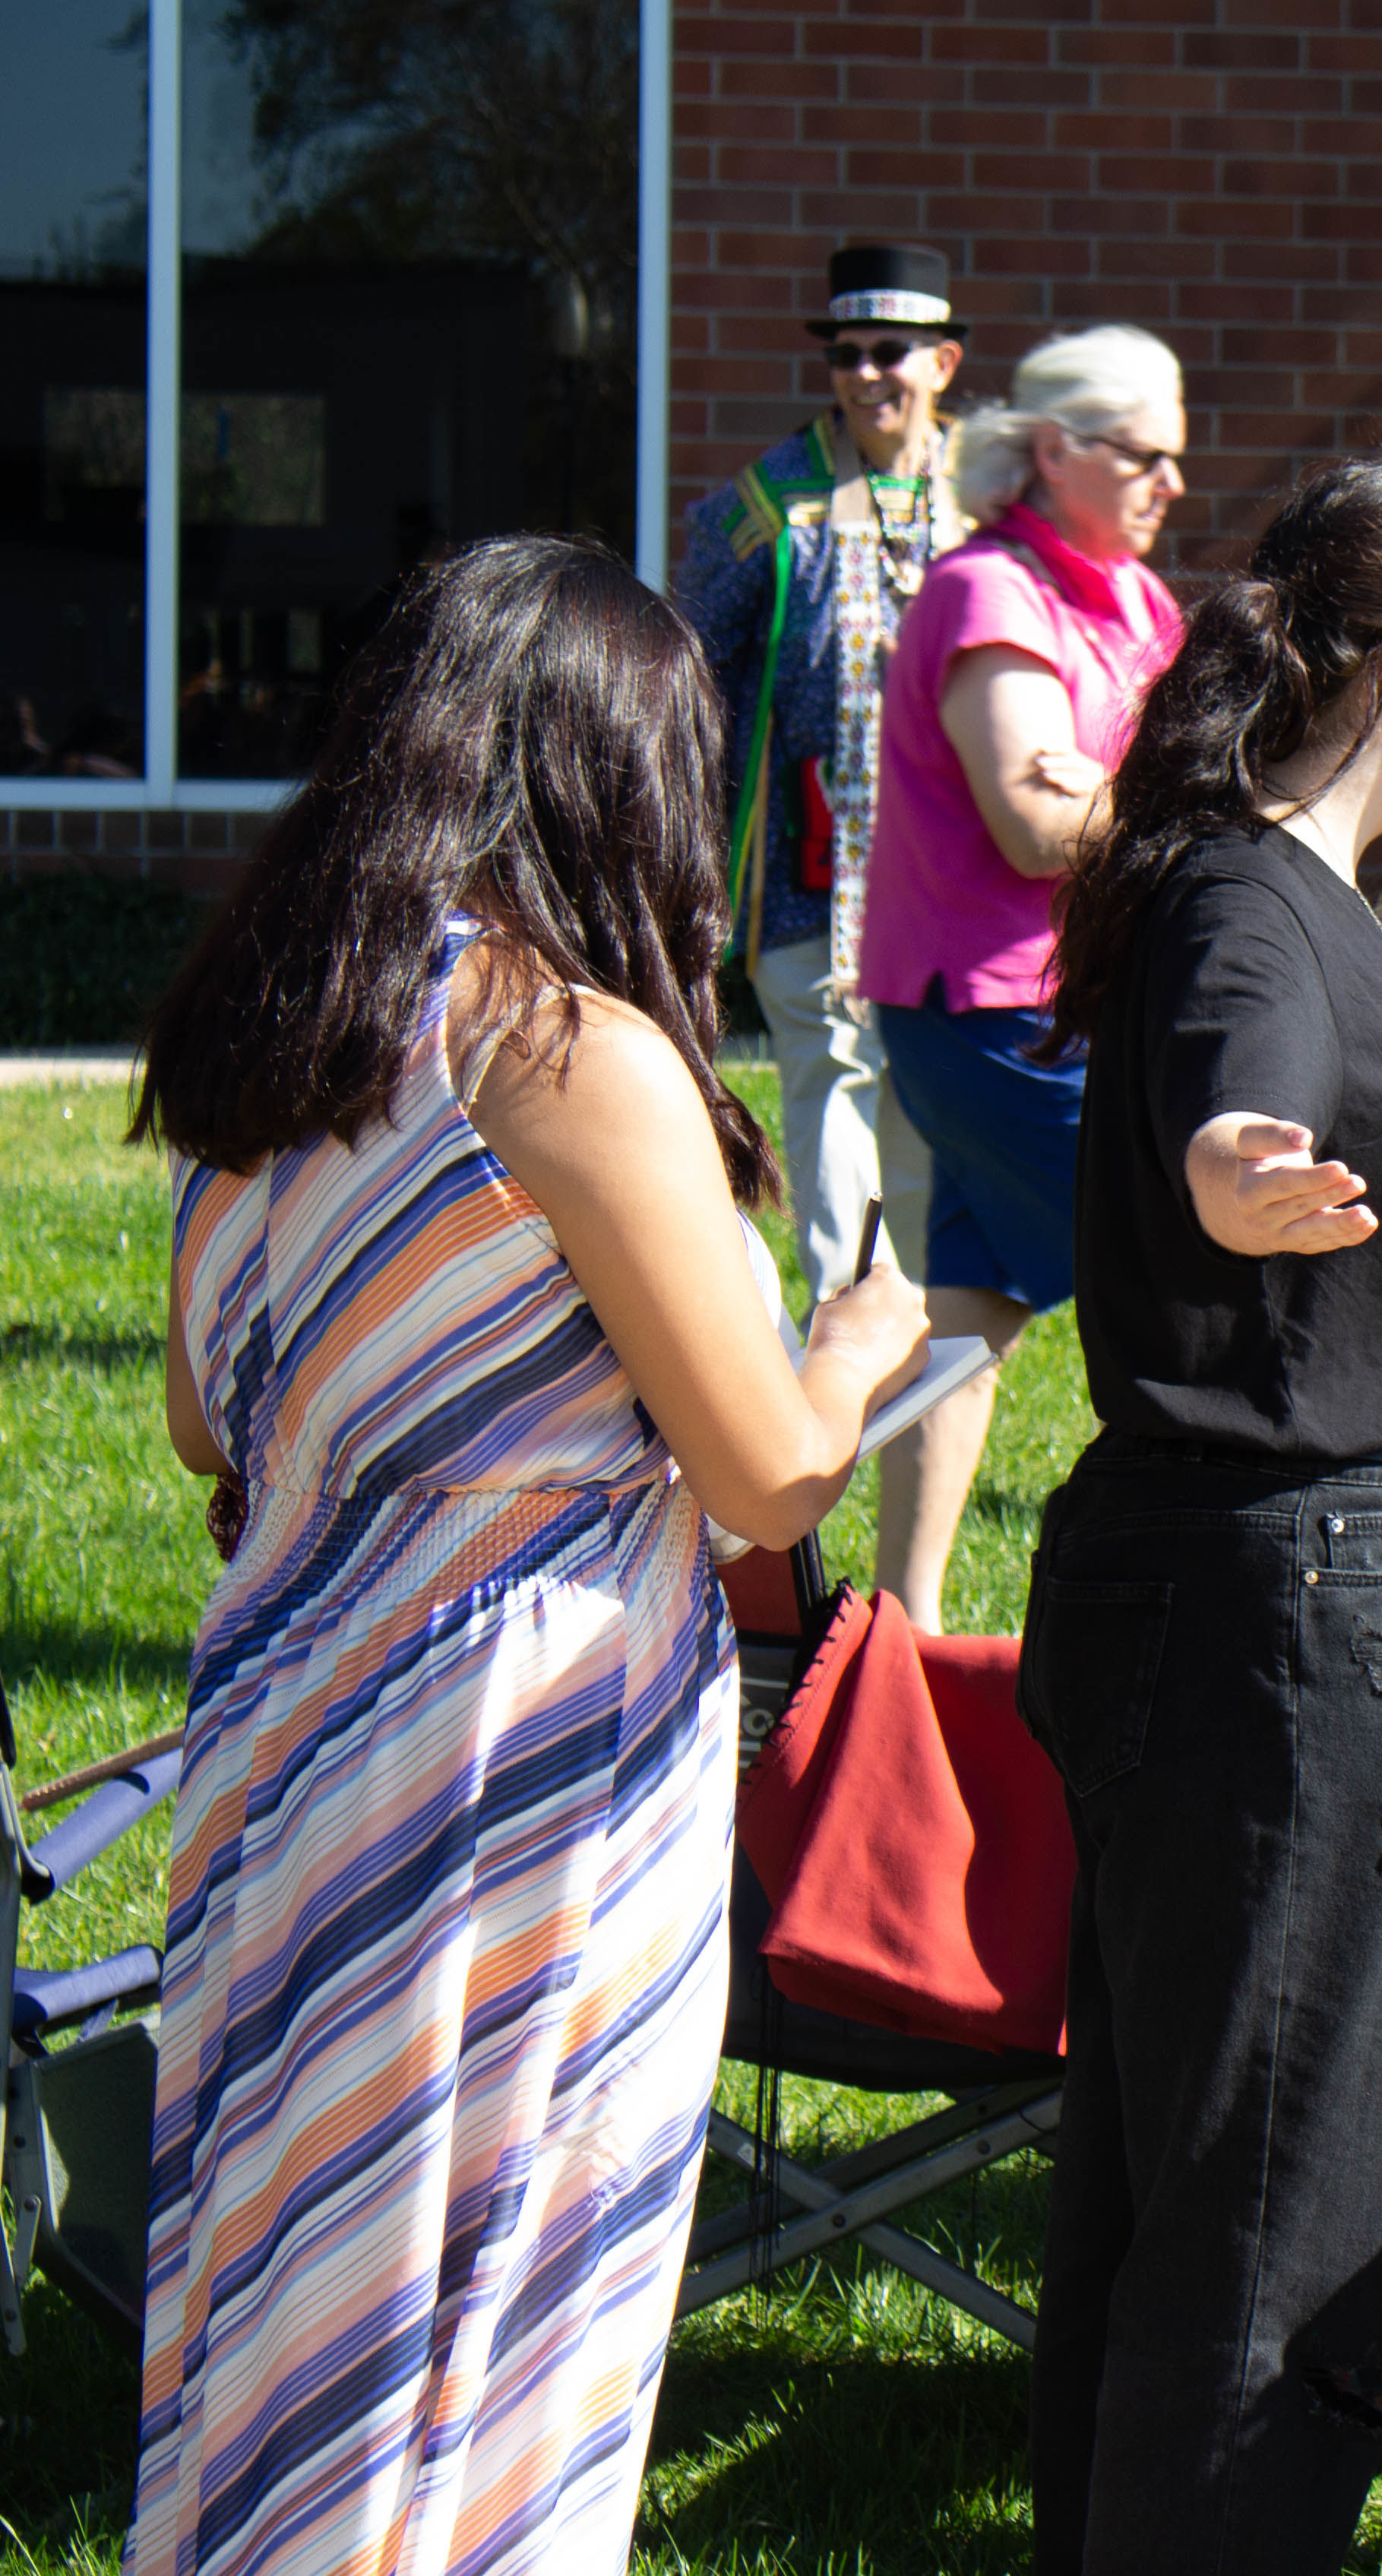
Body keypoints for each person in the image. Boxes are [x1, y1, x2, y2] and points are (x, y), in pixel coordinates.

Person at [128, 536, 928, 2571]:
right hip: (520, 1761)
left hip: (288, 1732)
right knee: (501, 2308)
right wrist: (857, 1343)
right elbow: (763, 1478)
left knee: (297, 2295)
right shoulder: (562, 1047)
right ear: (611, 773)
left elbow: (201, 1421)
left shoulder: (280, 1021)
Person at [1014, 450, 1382, 2568]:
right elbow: (1243, 1087)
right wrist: (1243, 1162)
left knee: (1186, 2179)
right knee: (1279, 2210)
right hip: (1291, 1601)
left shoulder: (1289, 888)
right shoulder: (1253, 902)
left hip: (1248, 1583)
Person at [859, 321, 1188, 1629]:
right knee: (1177, 1273)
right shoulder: (989, 592)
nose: (1171, 483)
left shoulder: (1133, 600)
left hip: (1060, 1001)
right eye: (1143, 456)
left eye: (1178, 456)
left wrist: (1121, 795)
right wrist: (1170, 813)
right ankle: (1147, 1588)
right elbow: (1034, 821)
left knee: (968, 1315)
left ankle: (898, 1626)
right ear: (1054, 450)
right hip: (994, 1014)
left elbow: (1099, 795)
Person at [672, 239, 963, 1293]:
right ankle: (845, 1335)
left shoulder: (997, 504)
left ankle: (922, 1343)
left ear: (944, 362)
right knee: (834, 1089)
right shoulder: (766, 508)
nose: (867, 374)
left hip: (955, 888)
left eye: (892, 350)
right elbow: (683, 672)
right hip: (812, 882)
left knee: (927, 1106)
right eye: (846, 353)